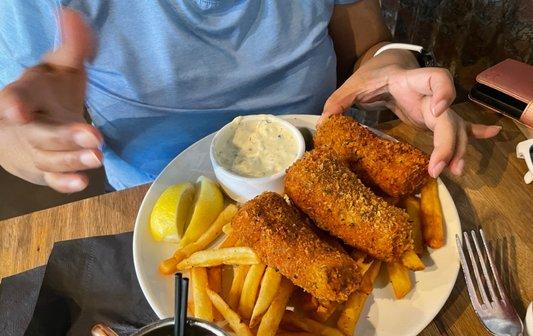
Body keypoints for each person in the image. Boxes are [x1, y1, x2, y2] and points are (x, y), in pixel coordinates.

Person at [0, 1, 500, 193]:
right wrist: (24, 138)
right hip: (160, 196)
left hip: (325, 162)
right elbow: (11, 125)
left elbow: (367, 46)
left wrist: (393, 70)